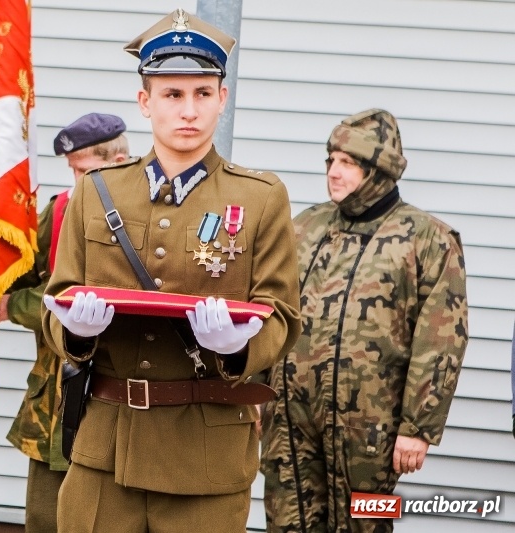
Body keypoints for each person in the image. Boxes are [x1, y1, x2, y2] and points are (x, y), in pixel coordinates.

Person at [40, 8, 301, 532]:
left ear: (222, 99)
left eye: (202, 93)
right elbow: (58, 298)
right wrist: (76, 331)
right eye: (172, 94)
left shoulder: (260, 197)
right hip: (105, 451)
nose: (189, 110)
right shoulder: (97, 191)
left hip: (204, 457)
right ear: (145, 102)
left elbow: (282, 316)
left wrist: (237, 346)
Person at [260, 109, 468, 532]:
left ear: (378, 170)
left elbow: (442, 340)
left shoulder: (428, 239)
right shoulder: (304, 227)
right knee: (286, 523)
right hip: (289, 421)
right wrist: (256, 391)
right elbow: (271, 311)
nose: (333, 172)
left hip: (371, 431)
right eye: (331, 160)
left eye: (348, 163)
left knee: (366, 524)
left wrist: (418, 428)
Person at [0, 113, 129, 533]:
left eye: (85, 172)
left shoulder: (145, 218)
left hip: (114, 400)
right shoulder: (62, 209)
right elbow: (25, 276)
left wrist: (18, 306)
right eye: (73, 171)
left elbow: (95, 298)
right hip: (54, 399)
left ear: (119, 162)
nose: (76, 182)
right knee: (46, 518)